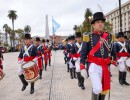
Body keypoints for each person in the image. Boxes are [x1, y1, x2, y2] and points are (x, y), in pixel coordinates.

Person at [80, 12, 116, 100]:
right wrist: (82, 67)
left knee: (104, 88)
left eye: (102, 22)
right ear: (93, 25)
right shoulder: (88, 36)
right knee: (98, 88)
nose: (100, 24)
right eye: (98, 22)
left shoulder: (110, 36)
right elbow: (83, 53)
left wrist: (113, 63)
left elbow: (113, 51)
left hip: (105, 66)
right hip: (93, 65)